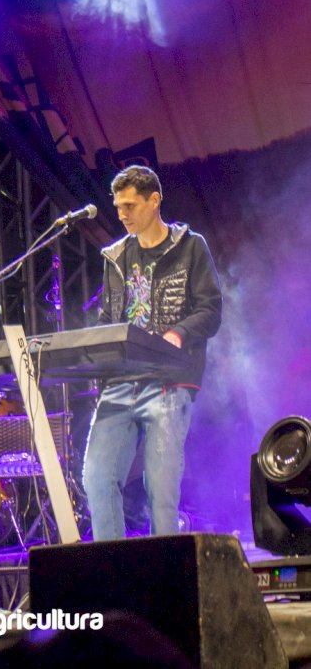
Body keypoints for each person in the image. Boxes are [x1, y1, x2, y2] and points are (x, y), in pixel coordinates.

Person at [82, 166, 222, 541]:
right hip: (119, 383)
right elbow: (108, 319)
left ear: (154, 200)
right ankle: (112, 579)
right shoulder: (114, 258)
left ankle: (169, 583)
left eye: (130, 205)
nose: (122, 214)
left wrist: (179, 333)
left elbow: (210, 309)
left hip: (168, 382)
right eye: (118, 207)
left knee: (160, 489)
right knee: (97, 478)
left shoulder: (190, 247)